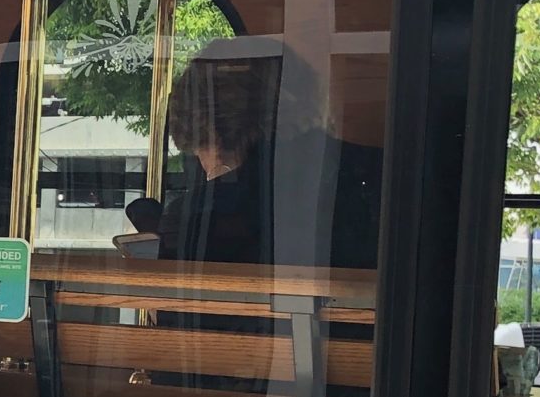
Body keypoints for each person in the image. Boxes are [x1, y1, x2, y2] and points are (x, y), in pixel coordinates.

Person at [157, 39, 381, 271]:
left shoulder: (202, 217)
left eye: (200, 152)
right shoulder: (376, 172)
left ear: (212, 131)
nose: (204, 168)